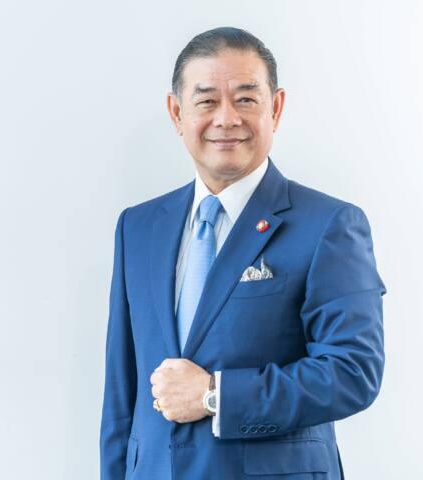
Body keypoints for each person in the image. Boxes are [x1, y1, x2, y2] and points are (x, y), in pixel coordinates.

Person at [99, 27, 386, 480]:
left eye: (246, 99)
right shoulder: (138, 227)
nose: (226, 118)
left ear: (276, 108)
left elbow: (352, 372)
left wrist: (216, 395)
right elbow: (121, 394)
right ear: (177, 113)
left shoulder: (328, 225)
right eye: (207, 100)